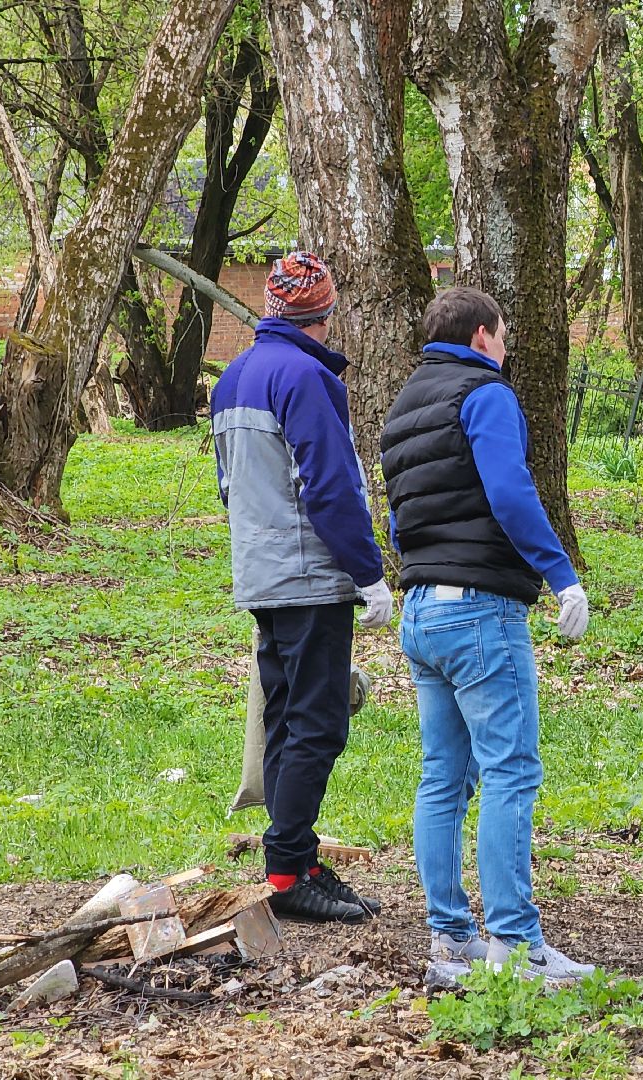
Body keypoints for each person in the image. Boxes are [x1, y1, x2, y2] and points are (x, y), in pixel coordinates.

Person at [381, 286, 592, 987]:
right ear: (480, 337)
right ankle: (516, 947)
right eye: (504, 337)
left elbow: (398, 521)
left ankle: (450, 938)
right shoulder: (486, 394)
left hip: (421, 613)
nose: (507, 349)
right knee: (510, 772)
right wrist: (561, 575)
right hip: (480, 614)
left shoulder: (404, 407)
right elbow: (510, 492)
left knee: (443, 776)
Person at [212, 251, 393, 924]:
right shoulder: (307, 377)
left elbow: (229, 487)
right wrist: (368, 572)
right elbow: (331, 485)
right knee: (317, 724)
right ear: (325, 312)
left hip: (261, 573)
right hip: (311, 576)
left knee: (287, 717)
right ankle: (288, 873)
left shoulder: (232, 377)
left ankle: (296, 857)